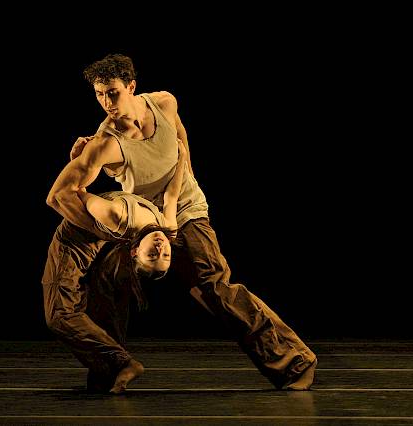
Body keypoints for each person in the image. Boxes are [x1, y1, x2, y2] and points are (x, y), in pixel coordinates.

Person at [53, 53, 317, 390]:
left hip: (187, 211)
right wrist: (107, 227)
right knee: (108, 280)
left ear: (131, 87)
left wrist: (184, 179)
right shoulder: (106, 142)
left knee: (214, 284)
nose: (107, 103)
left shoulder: (164, 103)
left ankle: (294, 362)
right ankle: (111, 370)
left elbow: (180, 139)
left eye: (113, 93)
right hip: (145, 224)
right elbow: (63, 193)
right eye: (99, 94)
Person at [42, 137, 188, 393]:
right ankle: (107, 375)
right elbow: (172, 194)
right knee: (106, 300)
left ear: (135, 250)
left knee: (59, 314)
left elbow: (75, 194)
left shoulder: (116, 216)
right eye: (165, 255)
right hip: (111, 237)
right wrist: (182, 156)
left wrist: (79, 160)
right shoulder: (168, 227)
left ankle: (123, 363)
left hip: (79, 237)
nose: (160, 248)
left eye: (152, 256)